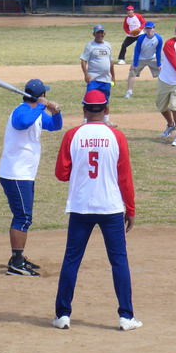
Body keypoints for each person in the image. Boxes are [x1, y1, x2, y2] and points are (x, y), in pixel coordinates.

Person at [52, 89, 142, 331]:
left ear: (83, 110)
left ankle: (63, 315)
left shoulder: (73, 135)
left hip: (81, 206)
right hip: (110, 207)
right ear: (107, 109)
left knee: (72, 259)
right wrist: (130, 208)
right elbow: (125, 177)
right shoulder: (117, 137)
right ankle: (126, 316)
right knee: (118, 260)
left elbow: (61, 174)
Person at [0, 78, 63, 276]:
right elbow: (23, 122)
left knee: (24, 216)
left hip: (25, 174)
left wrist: (56, 113)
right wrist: (41, 107)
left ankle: (18, 257)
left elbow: (55, 126)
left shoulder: (37, 113)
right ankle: (16, 263)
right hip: (15, 174)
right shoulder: (21, 111)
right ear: (40, 95)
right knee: (23, 217)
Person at [80, 24, 117, 127]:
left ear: (104, 33)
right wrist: (86, 74)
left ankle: (106, 119)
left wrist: (113, 76)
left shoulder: (108, 45)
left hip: (106, 79)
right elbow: (83, 61)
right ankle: (85, 119)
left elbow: (111, 62)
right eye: (97, 32)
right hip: (93, 78)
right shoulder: (90, 46)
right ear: (94, 34)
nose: (100, 34)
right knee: (89, 98)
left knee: (105, 99)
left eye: (101, 32)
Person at [124, 21, 163, 99]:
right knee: (132, 72)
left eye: (150, 28)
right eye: (147, 28)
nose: (148, 30)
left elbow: (158, 52)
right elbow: (137, 51)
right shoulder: (141, 38)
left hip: (152, 58)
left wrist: (159, 64)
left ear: (154, 29)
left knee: (162, 73)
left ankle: (162, 92)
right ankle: (129, 92)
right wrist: (134, 64)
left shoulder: (158, 38)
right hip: (140, 59)